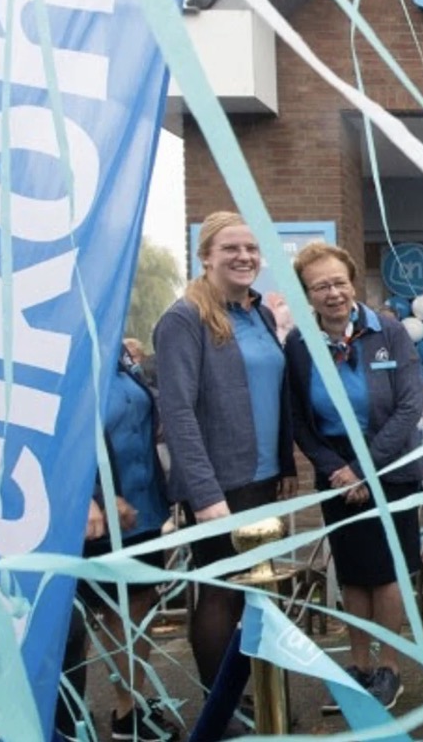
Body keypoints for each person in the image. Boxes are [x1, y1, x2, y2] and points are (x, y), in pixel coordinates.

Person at [153, 211, 295, 694]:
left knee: (256, 594)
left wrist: (286, 463)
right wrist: (205, 493)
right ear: (206, 257)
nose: (244, 256)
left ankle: (260, 699)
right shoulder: (183, 318)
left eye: (251, 249)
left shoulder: (257, 312)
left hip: (263, 478)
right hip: (220, 485)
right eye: (231, 248)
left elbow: (275, 390)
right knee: (221, 593)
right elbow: (178, 412)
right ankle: (222, 710)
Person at [283, 242, 423, 709]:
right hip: (336, 468)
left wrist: (363, 469)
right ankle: (359, 667)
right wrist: (334, 469)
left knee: (385, 573)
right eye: (320, 286)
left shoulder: (388, 332)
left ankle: (390, 669)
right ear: (307, 293)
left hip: (389, 463)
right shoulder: (300, 343)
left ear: (353, 282)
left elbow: (409, 406)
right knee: (352, 573)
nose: (333, 293)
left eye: (339, 282)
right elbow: (299, 419)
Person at [60, 348, 183, 742]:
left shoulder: (120, 355)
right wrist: (91, 495)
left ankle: (129, 709)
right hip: (95, 512)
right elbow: (64, 436)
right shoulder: (70, 357)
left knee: (136, 607)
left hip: (142, 504)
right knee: (86, 618)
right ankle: (70, 718)